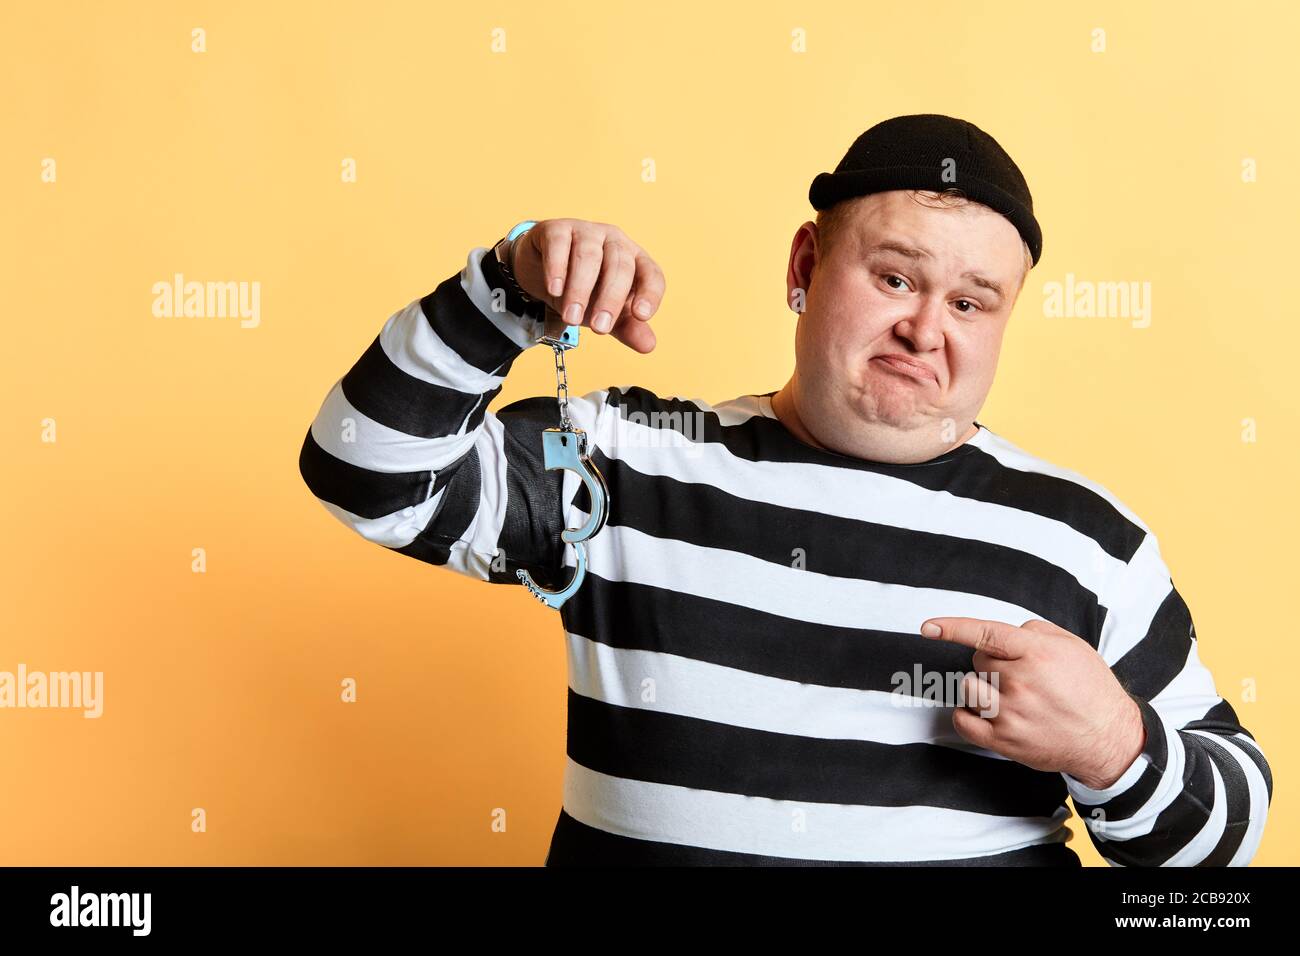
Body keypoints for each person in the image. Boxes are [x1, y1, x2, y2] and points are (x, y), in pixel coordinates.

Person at [297, 113, 1272, 866]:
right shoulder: (623, 459)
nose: (926, 328)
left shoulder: (1084, 540)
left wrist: (1115, 745)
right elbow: (364, 471)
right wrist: (504, 292)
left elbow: (1228, 836)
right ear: (805, 267)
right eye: (894, 277)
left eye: (971, 301)